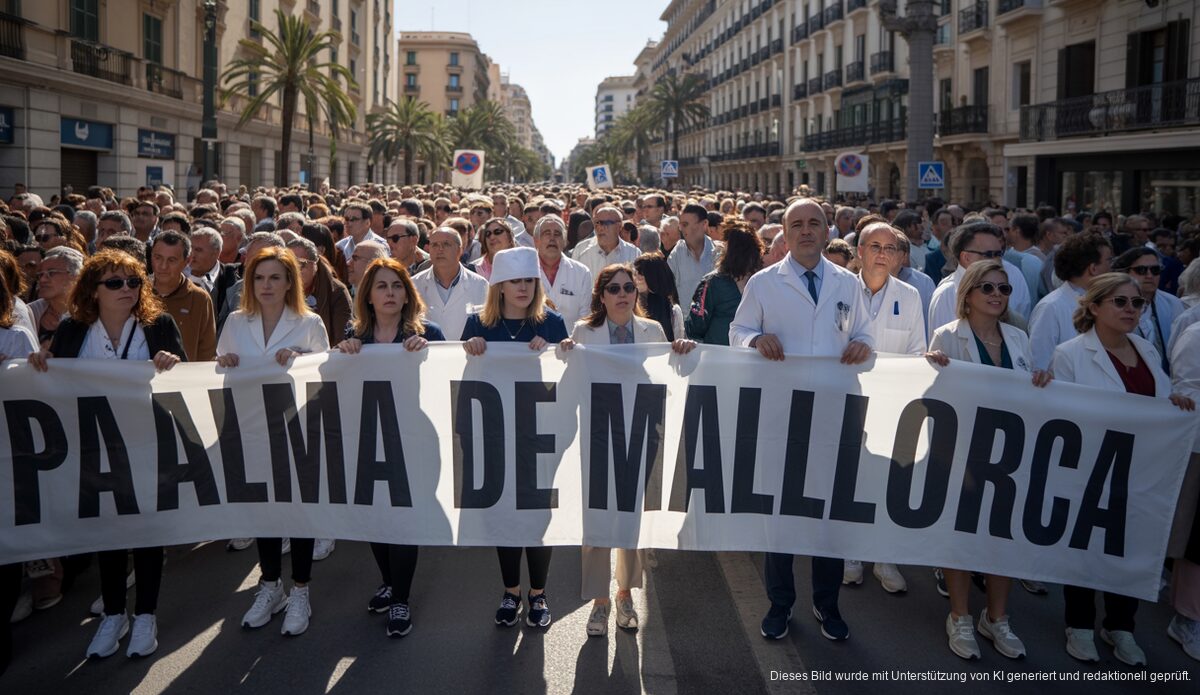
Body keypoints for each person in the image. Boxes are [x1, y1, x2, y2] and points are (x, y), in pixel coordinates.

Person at [27, 249, 186, 659]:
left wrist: (173, 361)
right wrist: (41, 361)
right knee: (110, 532)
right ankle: (114, 614)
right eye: (114, 283)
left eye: (133, 282)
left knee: (148, 532)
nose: (126, 289)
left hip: (148, 445)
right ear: (93, 291)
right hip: (94, 448)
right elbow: (55, 380)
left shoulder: (159, 325)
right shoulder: (73, 329)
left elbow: (186, 379)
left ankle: (145, 615)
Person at [729, 199, 874, 642]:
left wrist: (863, 344)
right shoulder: (764, 283)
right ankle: (780, 603)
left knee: (829, 517)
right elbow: (736, 333)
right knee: (781, 515)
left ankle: (827, 604)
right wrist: (756, 339)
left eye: (814, 223)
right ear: (785, 234)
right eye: (797, 224)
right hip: (782, 417)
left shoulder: (848, 283)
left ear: (828, 231)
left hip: (834, 417)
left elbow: (865, 333)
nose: (806, 231)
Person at [1051, 272, 1195, 666]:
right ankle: (1079, 625)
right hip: (1091, 470)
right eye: (1120, 301)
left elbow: (1158, 400)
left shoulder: (1146, 349)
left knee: (1131, 547)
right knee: (1084, 548)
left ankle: (1120, 627)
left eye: (1137, 303)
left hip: (1142, 471)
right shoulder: (1070, 354)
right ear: (1095, 306)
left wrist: (1174, 403)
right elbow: (1063, 416)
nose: (1131, 309)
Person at [559, 263, 696, 636]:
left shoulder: (653, 330)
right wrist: (565, 352)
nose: (622, 294)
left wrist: (682, 350)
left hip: (640, 433)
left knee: (631, 516)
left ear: (637, 293)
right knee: (596, 516)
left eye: (628, 288)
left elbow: (668, 375)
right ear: (601, 296)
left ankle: (624, 594)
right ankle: (598, 602)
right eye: (614, 289)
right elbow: (572, 382)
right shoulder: (583, 332)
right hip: (597, 435)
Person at [925, 260, 1050, 660]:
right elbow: (933, 398)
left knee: (1002, 538)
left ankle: (996, 618)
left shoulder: (1018, 337)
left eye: (1004, 289)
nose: (997, 295)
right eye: (988, 288)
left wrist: (1042, 381)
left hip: (1011, 454)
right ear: (969, 294)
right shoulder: (947, 336)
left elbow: (1031, 393)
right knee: (960, 537)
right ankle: (959, 616)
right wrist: (931, 368)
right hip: (963, 453)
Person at [216, 247, 331, 637]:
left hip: (296, 430)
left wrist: (301, 357)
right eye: (259, 278)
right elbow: (220, 368)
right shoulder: (236, 321)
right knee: (263, 510)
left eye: (275, 278)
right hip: (250, 429)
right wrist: (224, 363)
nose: (266, 285)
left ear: (289, 283)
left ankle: (301, 590)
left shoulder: (309, 322)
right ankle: (270, 585)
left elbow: (325, 375)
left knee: (297, 511)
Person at [335, 257, 444, 638]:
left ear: (408, 294)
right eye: (381, 286)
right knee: (375, 517)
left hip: (413, 442)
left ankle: (401, 599)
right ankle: (388, 580)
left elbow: (447, 380)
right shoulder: (356, 335)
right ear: (368, 295)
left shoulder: (428, 332)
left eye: (397, 286)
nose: (390, 293)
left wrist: (429, 352)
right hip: (368, 440)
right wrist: (344, 351)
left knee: (403, 520)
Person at [460, 246, 569, 629]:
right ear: (499, 287)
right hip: (495, 436)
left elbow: (568, 378)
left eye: (528, 281)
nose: (522, 288)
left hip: (540, 438)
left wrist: (555, 351)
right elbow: (463, 380)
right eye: (514, 281)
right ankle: (511, 591)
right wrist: (469, 350)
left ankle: (538, 593)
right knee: (503, 515)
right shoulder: (477, 325)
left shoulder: (552, 323)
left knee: (538, 517)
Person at [1028, 233, 1113, 371]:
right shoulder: (1051, 307)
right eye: (1109, 261)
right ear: (1093, 268)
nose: (1111, 268)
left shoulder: (1107, 303)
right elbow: (1039, 367)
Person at [928, 222, 1032, 333]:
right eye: (989, 254)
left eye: (998, 254)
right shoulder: (947, 293)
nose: (996, 260)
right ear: (966, 257)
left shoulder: (1008, 280)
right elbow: (945, 340)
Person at [1168, 320, 1200, 662]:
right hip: (1198, 448)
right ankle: (1187, 617)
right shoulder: (1196, 335)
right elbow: (1187, 394)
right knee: (1195, 536)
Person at [685, 223, 762, 345]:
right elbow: (696, 325)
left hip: (744, 353)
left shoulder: (761, 282)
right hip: (720, 353)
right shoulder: (713, 282)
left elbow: (695, 326)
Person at [1113, 247, 1183, 374]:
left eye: (1155, 270)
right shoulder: (1113, 304)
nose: (1149, 276)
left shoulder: (1173, 303)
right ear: (1125, 273)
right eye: (1141, 270)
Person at [411, 227, 489, 342]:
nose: (440, 249)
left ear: (459, 250)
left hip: (468, 352)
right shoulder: (414, 284)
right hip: (426, 352)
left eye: (446, 244)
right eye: (434, 245)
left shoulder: (480, 285)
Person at [150, 231, 216, 362]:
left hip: (184, 374)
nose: (163, 266)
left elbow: (207, 353)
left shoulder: (199, 299)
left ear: (187, 261)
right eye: (158, 258)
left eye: (172, 260)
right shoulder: (136, 292)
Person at [287, 237, 351, 346]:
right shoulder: (280, 289)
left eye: (300, 264)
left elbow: (341, 341)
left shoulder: (336, 292)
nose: (294, 270)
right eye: (288, 265)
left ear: (315, 264)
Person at [534, 214, 592, 326]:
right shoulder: (524, 271)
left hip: (572, 336)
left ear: (564, 241)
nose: (552, 238)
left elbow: (585, 318)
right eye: (547, 233)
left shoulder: (582, 272)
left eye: (557, 234)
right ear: (536, 240)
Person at [27, 246, 83, 348]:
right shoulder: (30, 312)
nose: (42, 280)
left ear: (74, 276)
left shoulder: (88, 315)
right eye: (40, 274)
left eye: (51, 273)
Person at [668, 203, 722, 306]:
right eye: (680, 225)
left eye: (685, 225)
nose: (681, 229)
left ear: (704, 224)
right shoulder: (677, 252)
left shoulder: (718, 253)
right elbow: (668, 286)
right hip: (684, 315)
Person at [574, 205, 640, 278]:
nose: (600, 228)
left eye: (605, 223)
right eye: (597, 223)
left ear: (619, 225)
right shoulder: (581, 250)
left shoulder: (633, 252)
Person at [186, 227, 239, 315]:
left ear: (216, 253)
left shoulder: (231, 282)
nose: (192, 254)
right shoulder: (176, 272)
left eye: (198, 250)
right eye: (190, 249)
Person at [632, 253, 685, 341]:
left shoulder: (673, 312)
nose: (636, 277)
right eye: (635, 273)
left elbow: (677, 341)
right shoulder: (632, 306)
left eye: (641, 273)